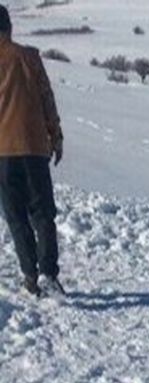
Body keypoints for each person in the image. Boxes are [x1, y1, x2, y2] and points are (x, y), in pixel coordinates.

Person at [0, 5, 64, 297]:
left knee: (16, 217)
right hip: (35, 146)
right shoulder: (29, 57)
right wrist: (56, 136)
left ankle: (30, 275)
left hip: (2, 152)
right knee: (42, 213)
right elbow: (47, 98)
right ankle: (50, 274)